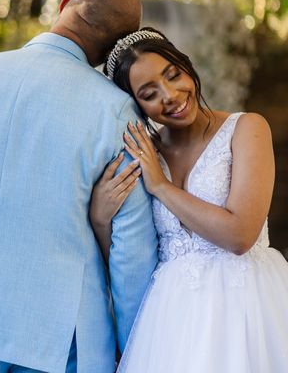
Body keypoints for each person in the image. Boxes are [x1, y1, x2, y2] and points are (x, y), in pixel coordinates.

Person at [0, 0, 158, 373]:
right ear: (115, 48)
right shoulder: (115, 110)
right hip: (64, 331)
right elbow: (131, 244)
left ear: (65, 4)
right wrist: (132, 343)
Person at [90, 27, 288, 372]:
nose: (171, 95)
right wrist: (100, 219)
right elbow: (132, 255)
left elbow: (240, 236)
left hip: (245, 307)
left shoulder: (247, 129)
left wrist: (162, 187)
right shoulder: (144, 153)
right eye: (150, 93)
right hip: (169, 321)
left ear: (187, 66)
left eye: (173, 75)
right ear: (135, 104)